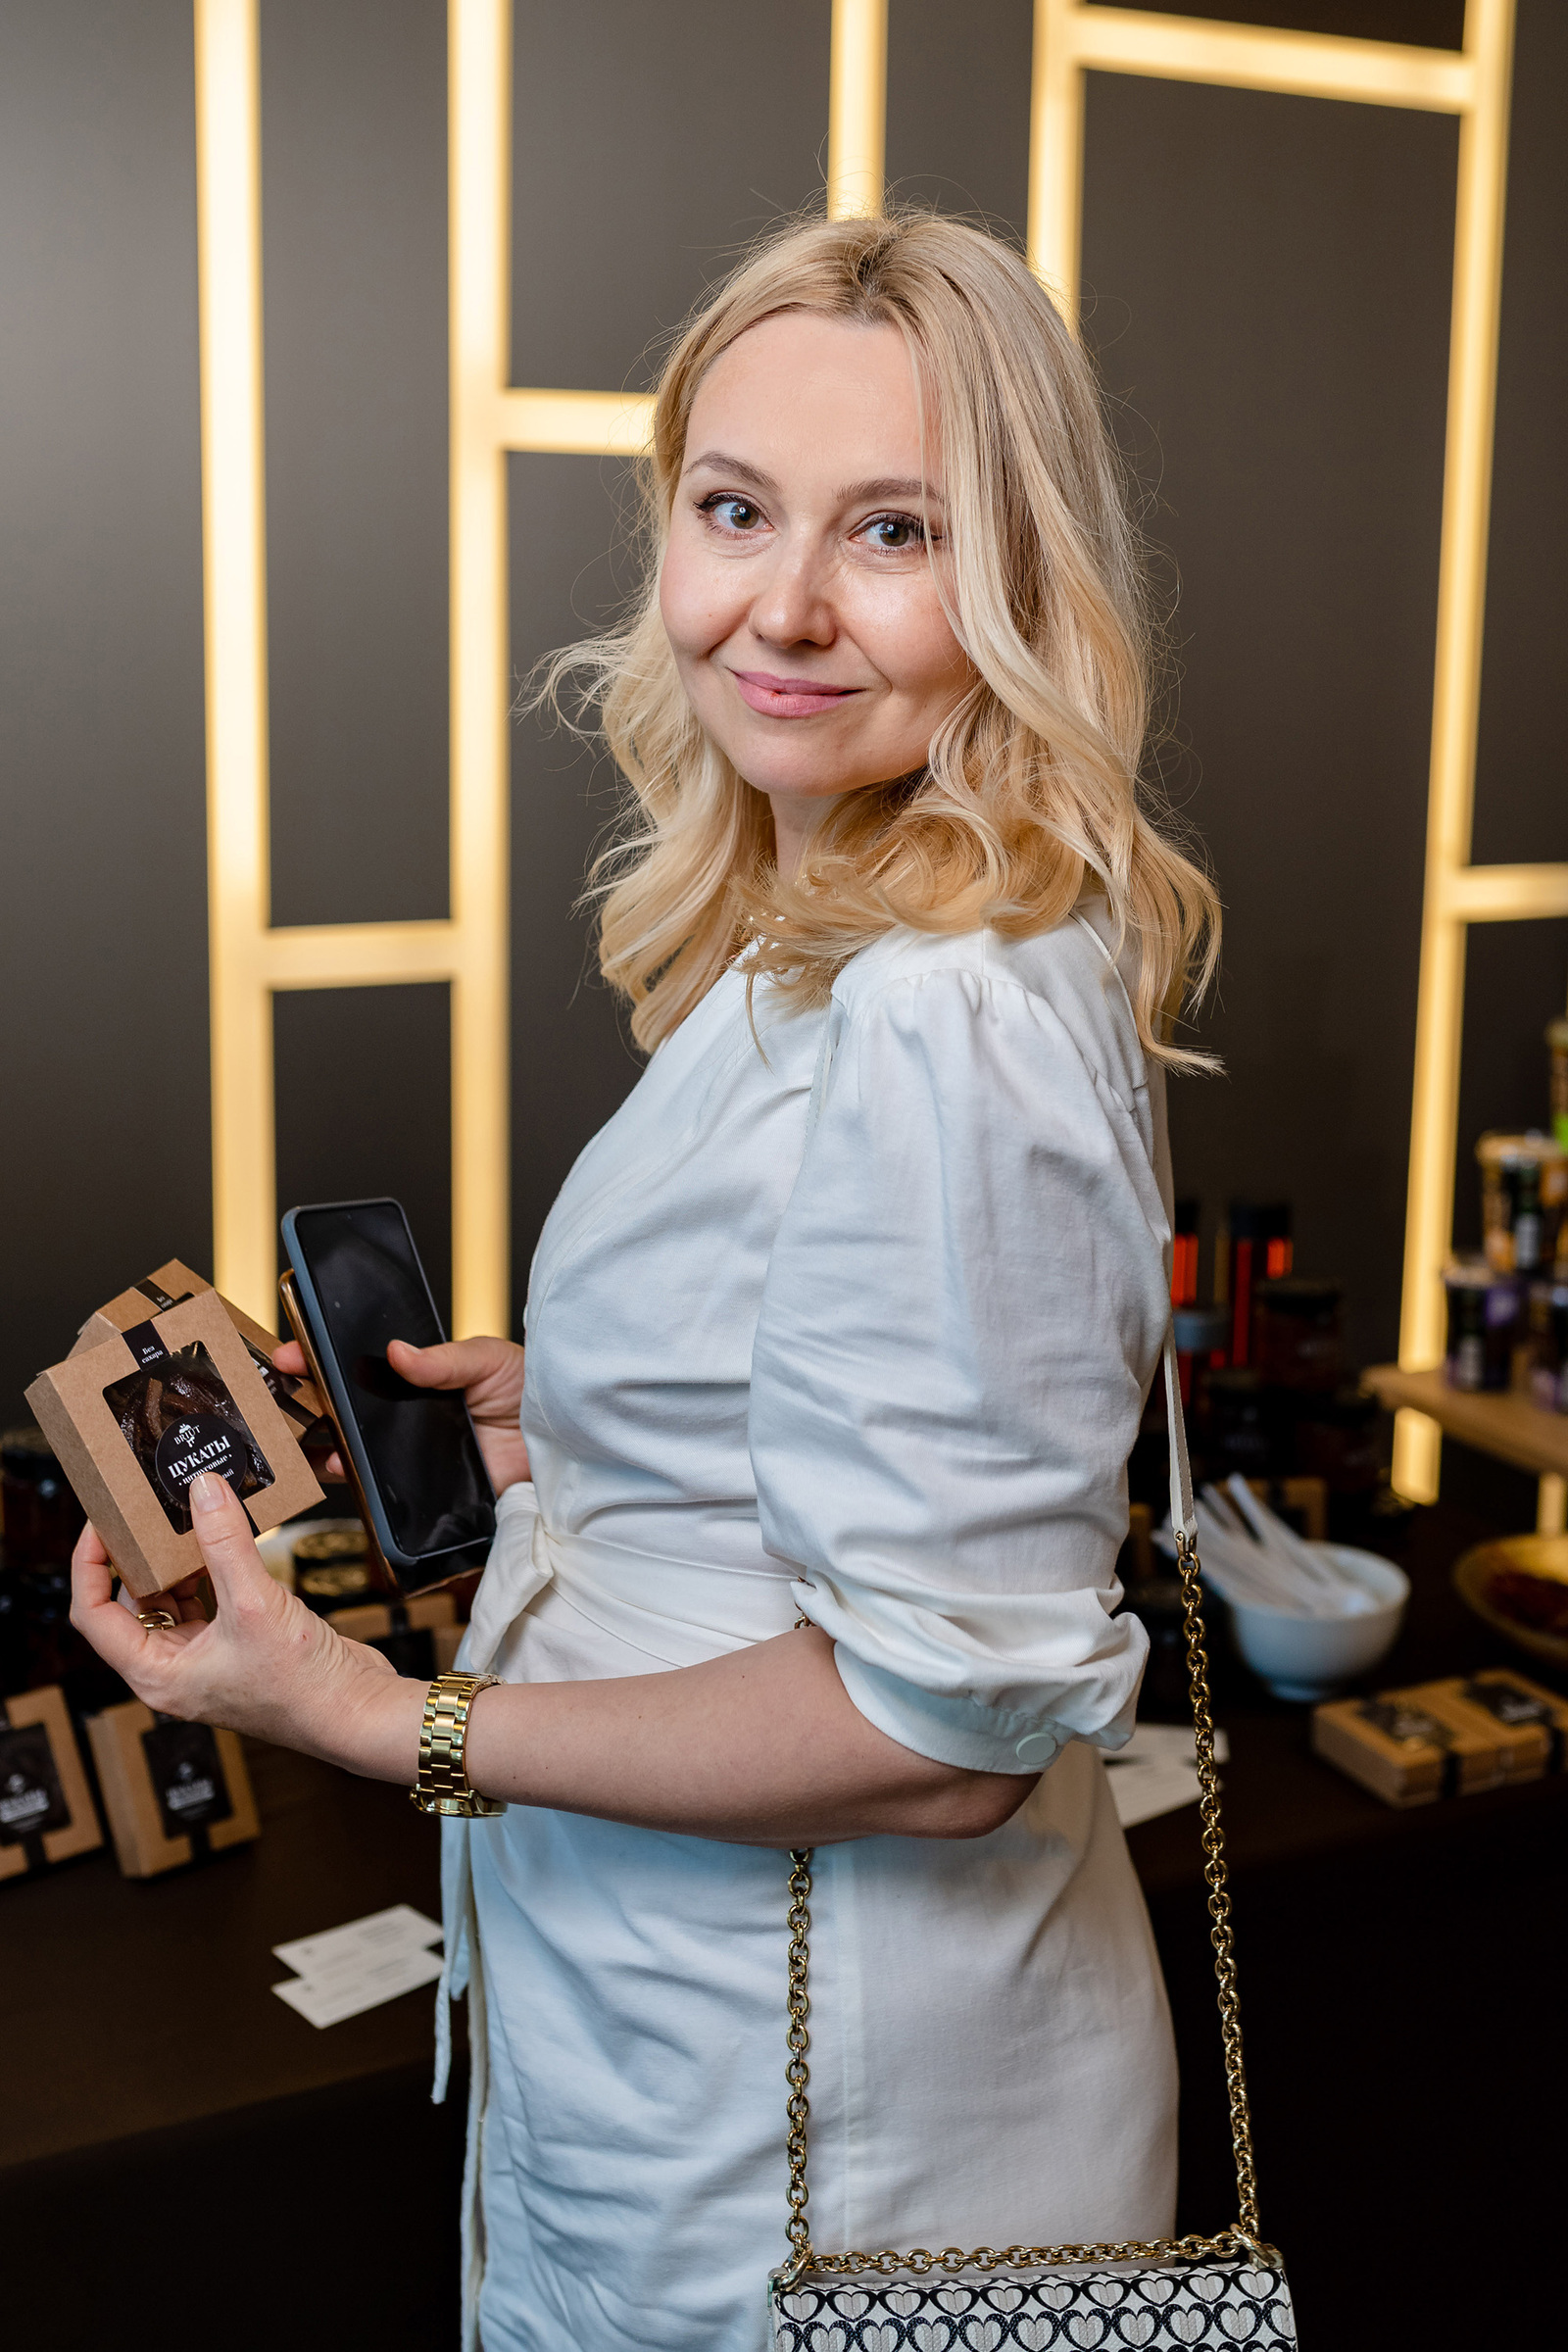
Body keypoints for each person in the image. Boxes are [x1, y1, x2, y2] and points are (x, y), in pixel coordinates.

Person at [73, 210, 1219, 2352]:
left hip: (830, 2152)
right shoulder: (833, 922)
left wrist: (373, 1718)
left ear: (1017, 575)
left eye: (892, 531)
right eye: (732, 509)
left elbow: (938, 1735)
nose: (779, 606)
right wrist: (596, 1429)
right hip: (694, 2071)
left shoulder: (945, 1009)